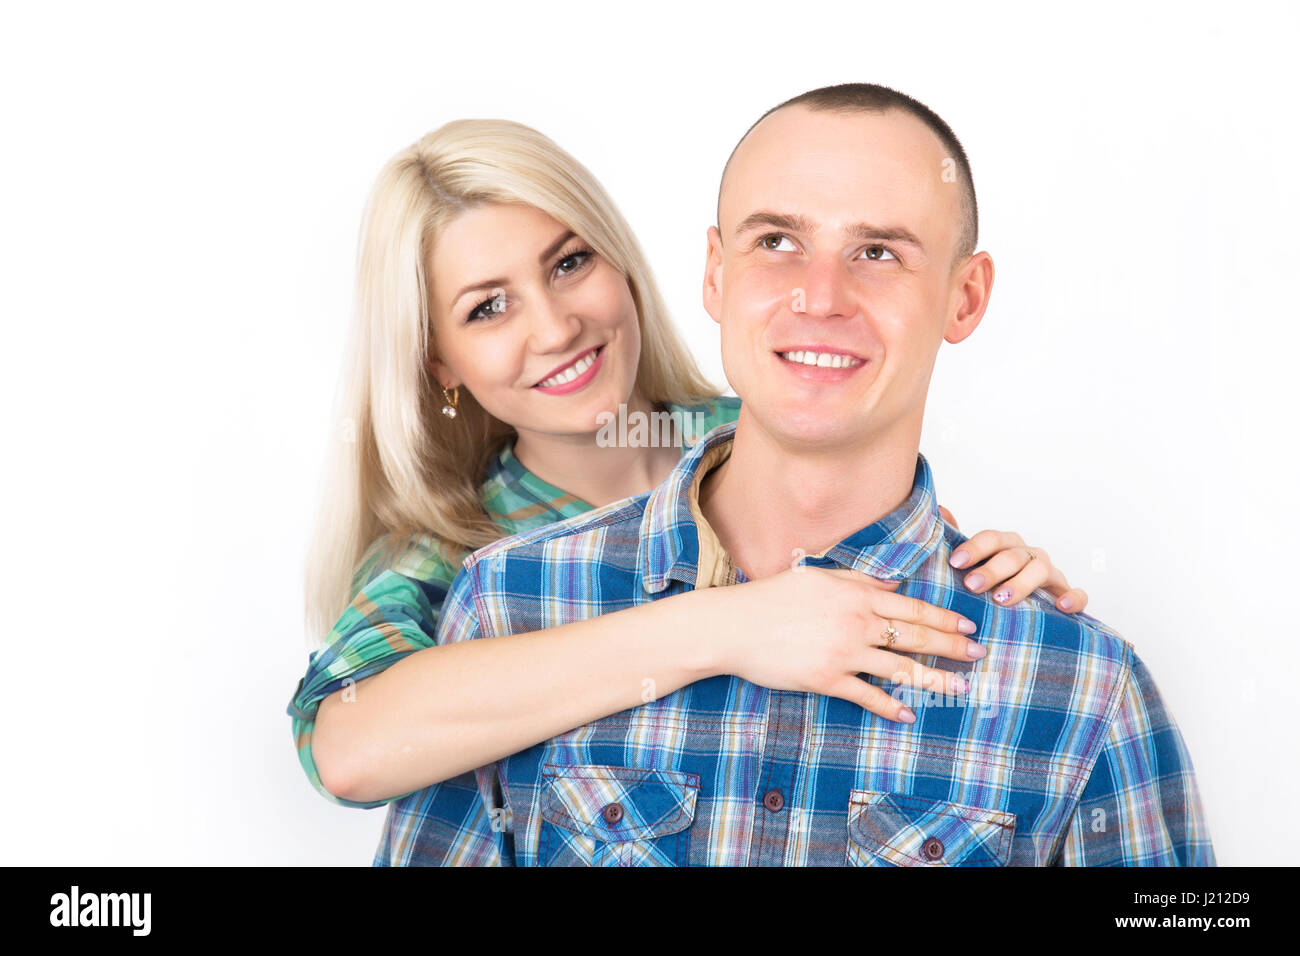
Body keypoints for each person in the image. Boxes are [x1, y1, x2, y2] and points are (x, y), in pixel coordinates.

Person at [424, 84, 1216, 866]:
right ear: (715, 273)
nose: (821, 296)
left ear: (964, 298)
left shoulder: (1080, 687)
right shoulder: (510, 606)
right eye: (777, 242)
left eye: (878, 253)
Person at [288, 117, 1088, 859]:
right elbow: (350, 750)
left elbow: (910, 542)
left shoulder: (774, 414)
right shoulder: (455, 558)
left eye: (570, 264)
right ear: (442, 368)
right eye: (488, 308)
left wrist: (1002, 586)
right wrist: (727, 625)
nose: (555, 327)